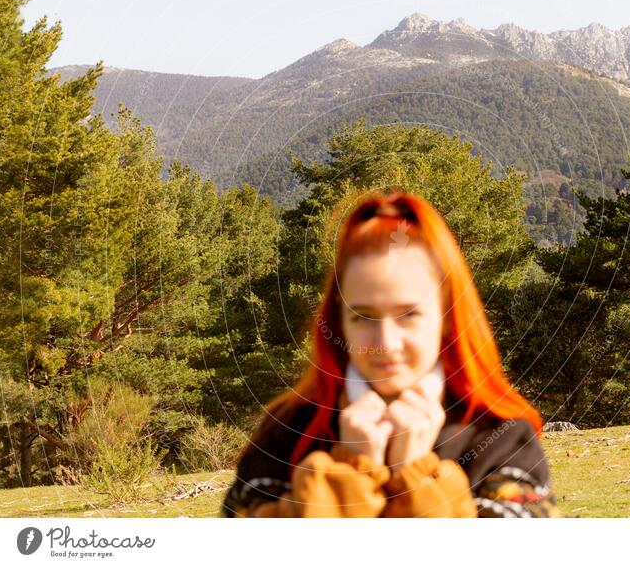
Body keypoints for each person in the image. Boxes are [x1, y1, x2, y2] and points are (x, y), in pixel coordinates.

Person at [221, 191, 559, 518]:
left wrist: (419, 479)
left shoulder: (500, 437)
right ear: (340, 323)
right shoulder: (287, 432)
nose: (386, 341)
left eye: (408, 314)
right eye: (362, 316)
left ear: (445, 318)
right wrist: (350, 473)